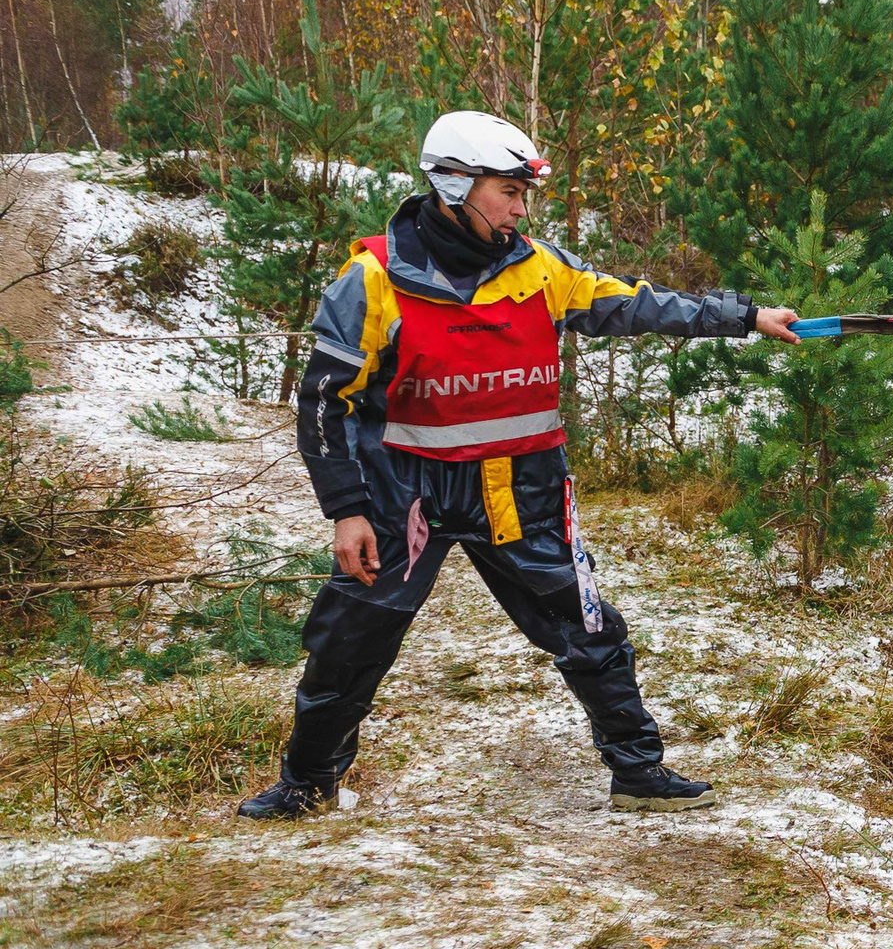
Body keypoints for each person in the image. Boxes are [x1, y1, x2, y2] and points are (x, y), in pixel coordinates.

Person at [237, 111, 802, 821]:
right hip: (405, 497)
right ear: (453, 184)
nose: (519, 207)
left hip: (520, 490)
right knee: (349, 641)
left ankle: (638, 771)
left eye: (521, 192)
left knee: (590, 627)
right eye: (507, 190)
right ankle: (307, 783)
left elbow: (638, 305)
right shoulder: (373, 278)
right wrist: (346, 509)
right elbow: (324, 404)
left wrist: (746, 318)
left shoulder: (540, 269)